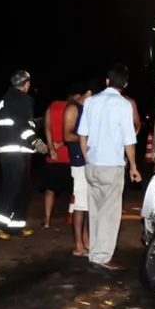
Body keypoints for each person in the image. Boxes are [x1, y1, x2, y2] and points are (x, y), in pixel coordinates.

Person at [77, 64, 142, 270]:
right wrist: (133, 166)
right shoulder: (124, 105)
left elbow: (82, 133)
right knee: (109, 213)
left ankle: (95, 252)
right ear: (125, 84)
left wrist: (87, 156)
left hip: (92, 165)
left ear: (107, 81)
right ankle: (103, 257)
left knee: (94, 210)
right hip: (111, 165)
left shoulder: (91, 102)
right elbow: (128, 140)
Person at [0, 70, 49, 239]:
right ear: (26, 84)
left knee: (22, 190)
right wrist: (37, 142)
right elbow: (24, 127)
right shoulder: (24, 100)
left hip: (10, 150)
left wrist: (38, 122)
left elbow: (18, 122)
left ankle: (15, 226)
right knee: (13, 188)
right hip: (16, 151)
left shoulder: (7, 99)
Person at [62, 82, 94, 256]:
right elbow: (66, 135)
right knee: (80, 205)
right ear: (88, 92)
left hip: (89, 161)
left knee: (89, 204)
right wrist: (88, 139)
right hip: (78, 162)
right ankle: (78, 245)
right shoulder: (73, 109)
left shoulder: (88, 109)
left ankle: (87, 241)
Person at [41, 97, 72, 228]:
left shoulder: (52, 106)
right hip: (70, 155)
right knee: (75, 190)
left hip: (54, 156)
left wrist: (51, 147)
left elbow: (47, 127)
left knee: (50, 189)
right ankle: (71, 218)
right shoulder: (73, 108)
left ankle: (47, 220)